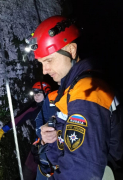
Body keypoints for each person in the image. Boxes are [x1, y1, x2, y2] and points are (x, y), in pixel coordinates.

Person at [27, 15, 123, 179]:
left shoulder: (87, 93)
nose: (44, 70)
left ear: (71, 50)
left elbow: (81, 171)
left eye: (49, 60)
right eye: (42, 63)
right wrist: (52, 136)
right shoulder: (73, 89)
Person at [0, 81, 51, 180]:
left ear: (46, 93)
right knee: (28, 172)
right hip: (37, 146)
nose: (36, 96)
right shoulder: (34, 108)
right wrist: (4, 129)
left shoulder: (55, 108)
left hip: (52, 148)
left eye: (39, 94)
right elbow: (20, 118)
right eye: (34, 94)